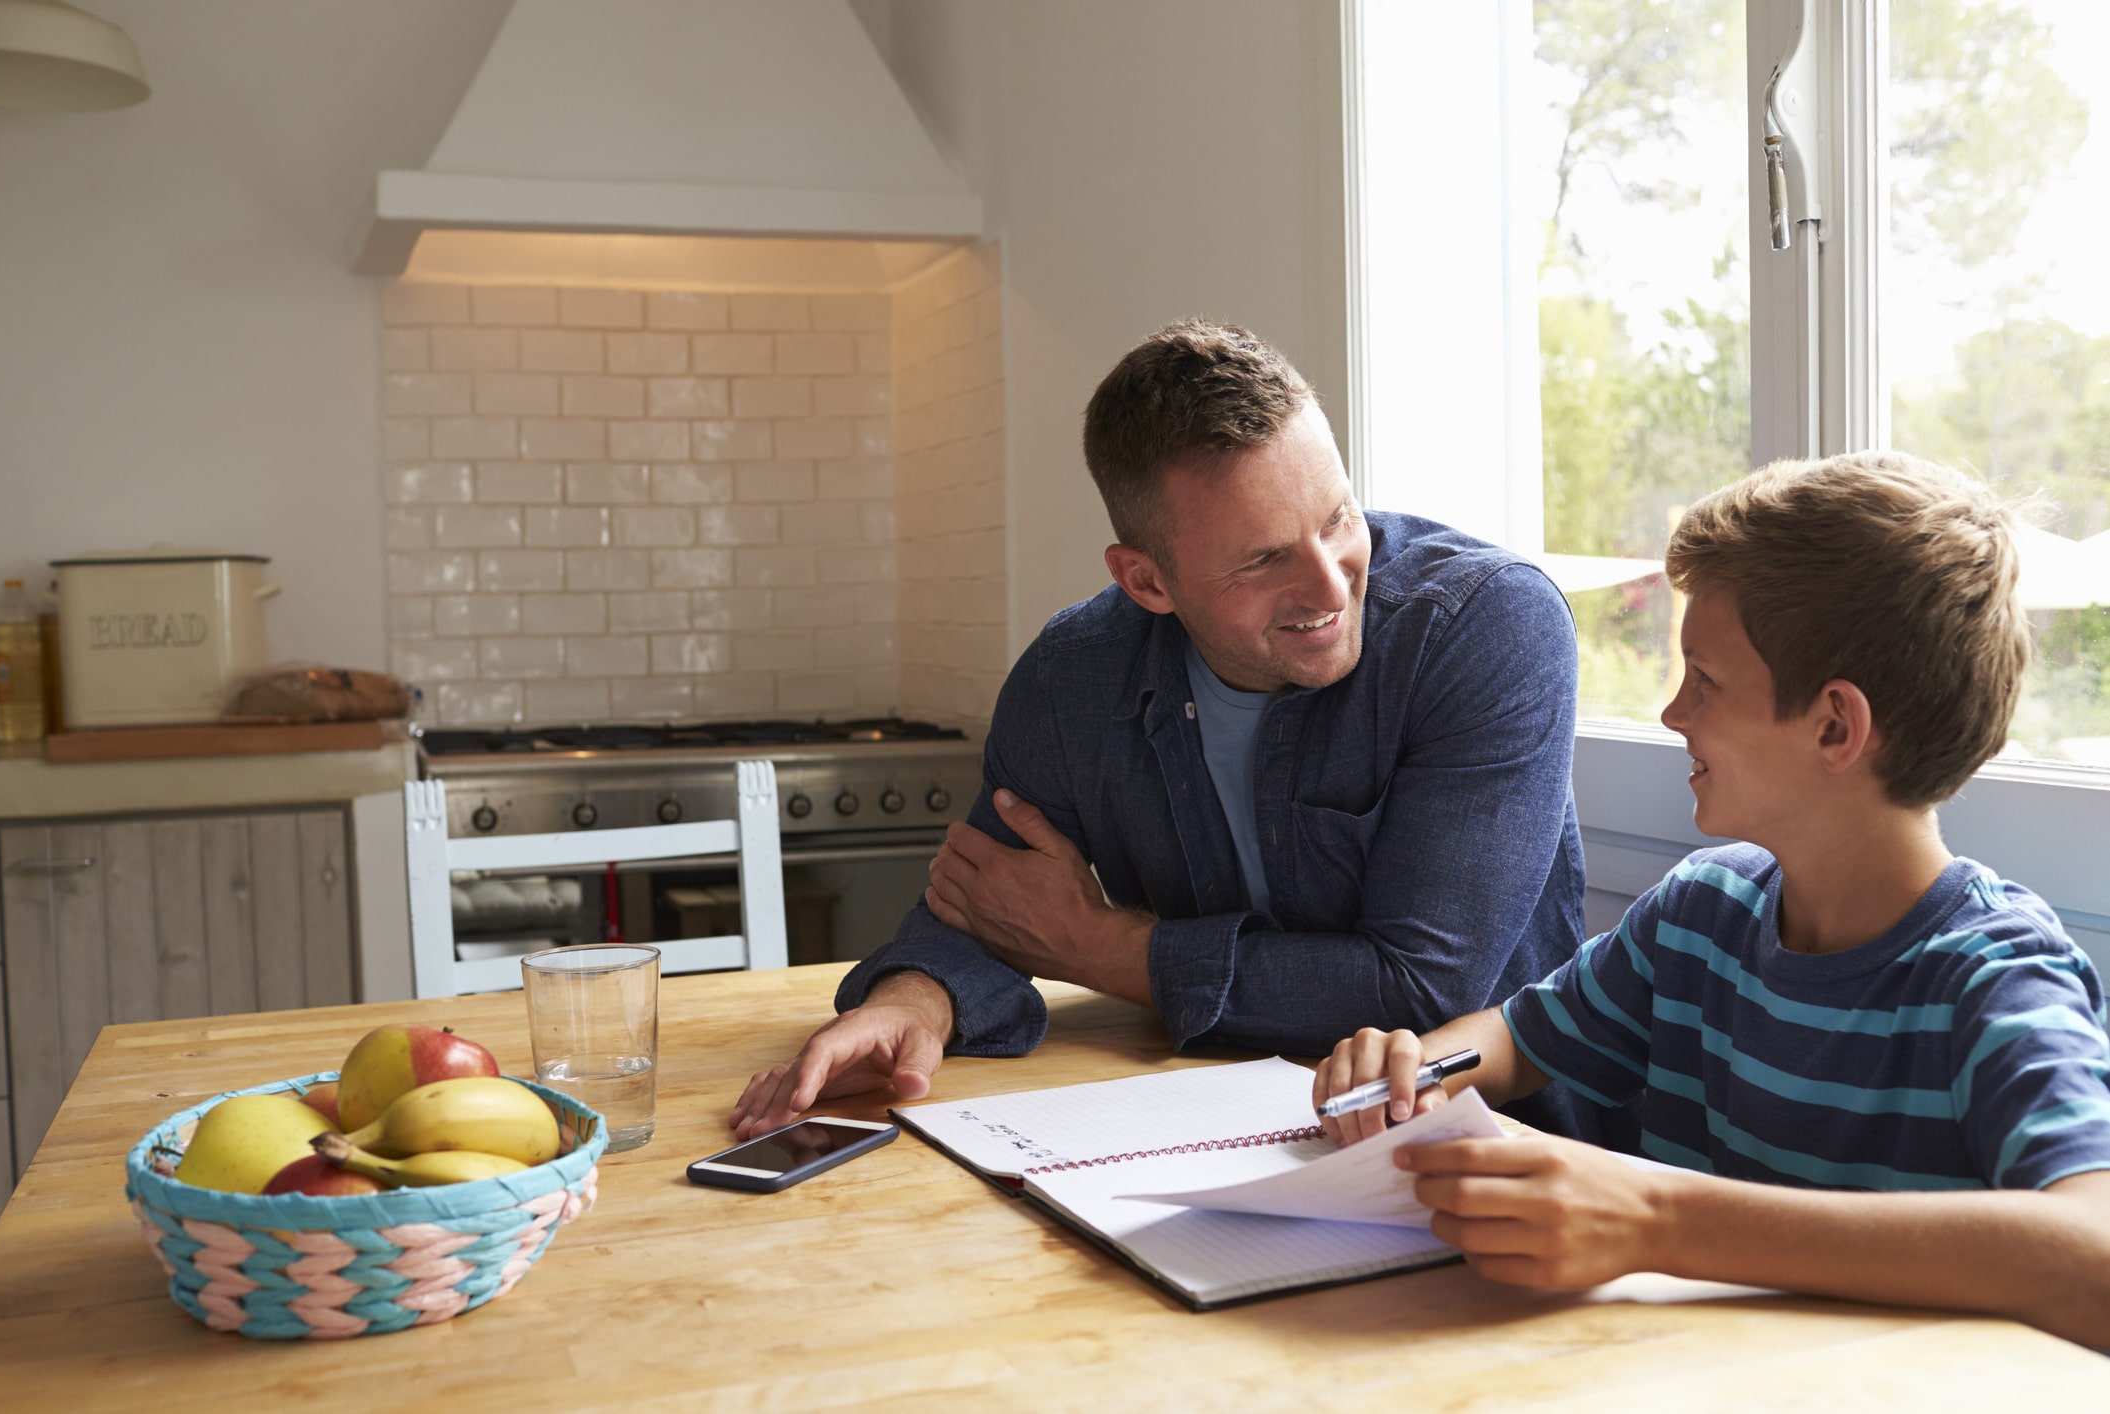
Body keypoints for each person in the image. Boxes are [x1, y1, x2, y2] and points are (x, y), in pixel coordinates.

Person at [733, 318, 1617, 1145]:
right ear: (1146, 581)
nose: (1330, 584)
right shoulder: (1071, 677)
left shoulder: (1486, 625)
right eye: (1264, 558)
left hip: (1494, 1147)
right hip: (1192, 1138)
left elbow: (1422, 989)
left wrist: (1100, 947)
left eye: (1337, 518)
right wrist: (911, 1002)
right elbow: (985, 903)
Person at [1313, 452, 2110, 1347]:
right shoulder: (1704, 910)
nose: (1671, 713)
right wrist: (1416, 1068)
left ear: (1833, 726)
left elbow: (2094, 1252)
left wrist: (1660, 1219)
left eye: (1705, 680)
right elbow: (1515, 1039)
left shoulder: (1997, 980)